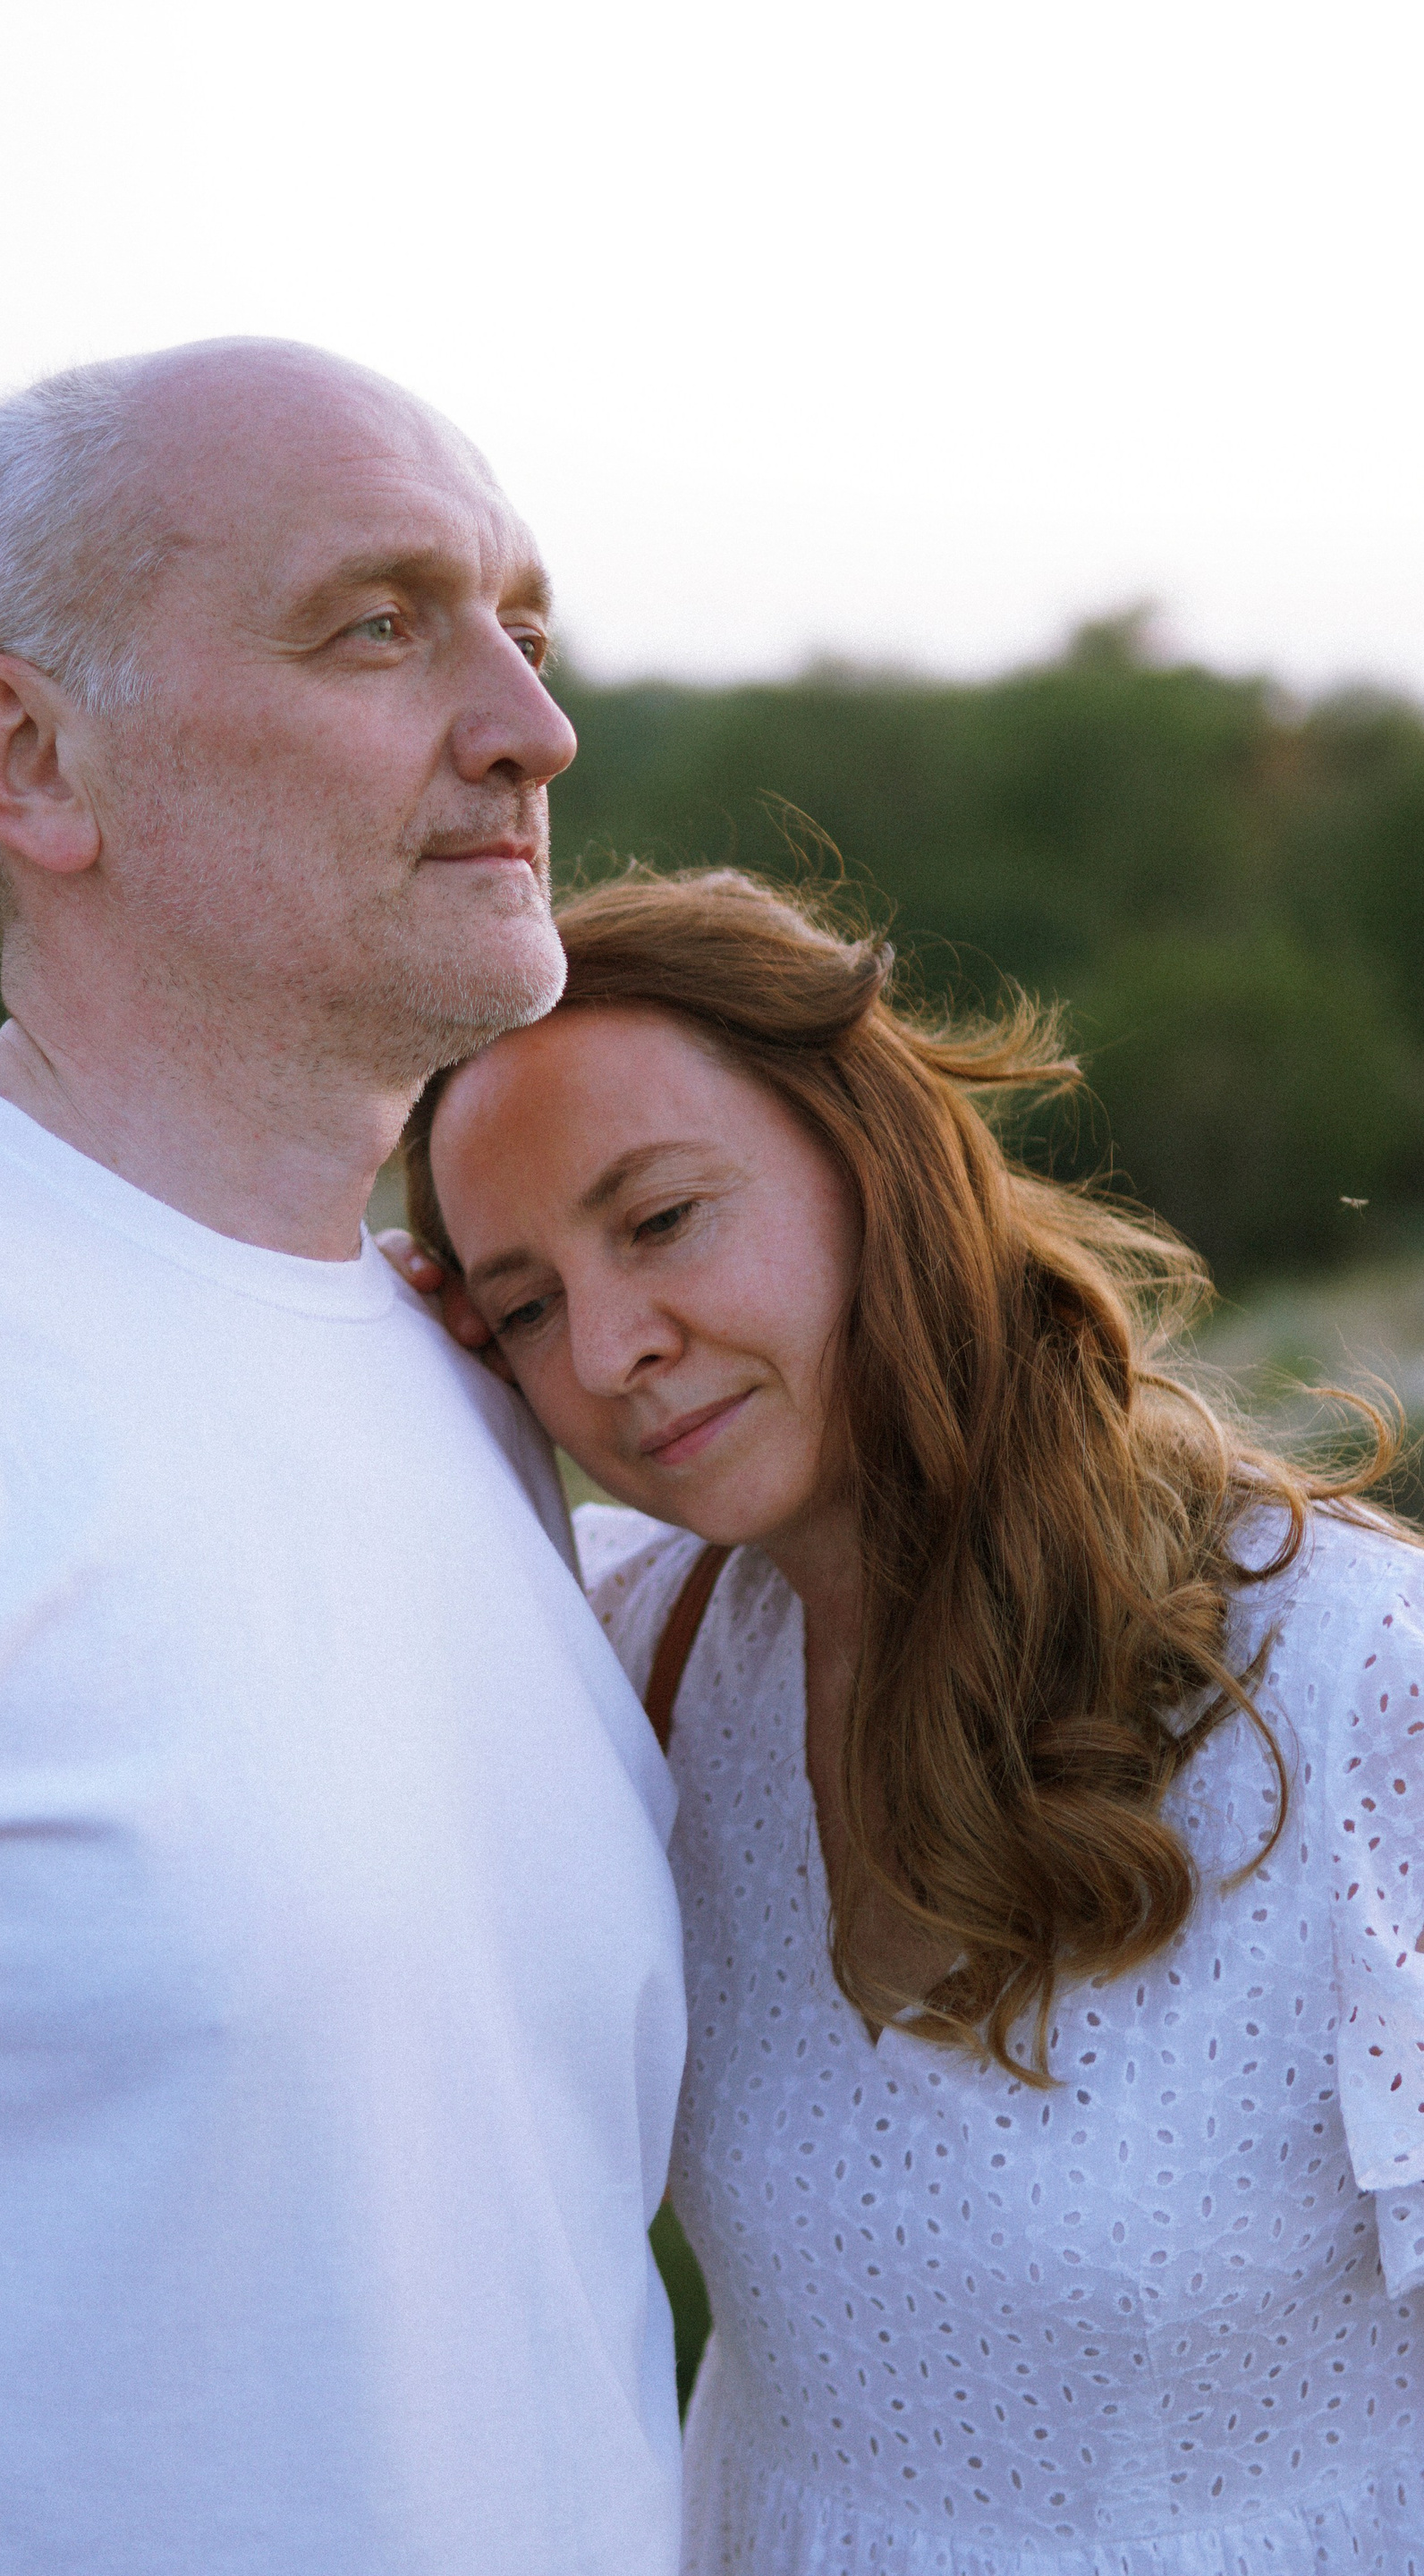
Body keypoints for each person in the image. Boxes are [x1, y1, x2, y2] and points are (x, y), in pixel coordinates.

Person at [0, 343, 686, 2576]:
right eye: (378, 624)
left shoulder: (476, 1374)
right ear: (32, 758)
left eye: (525, 630)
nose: (532, 728)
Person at [394, 864, 1424, 2572]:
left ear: (871, 1156)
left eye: (660, 1220)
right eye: (524, 1307)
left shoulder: (1355, 1677)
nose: (611, 1348)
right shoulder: (628, 1656)